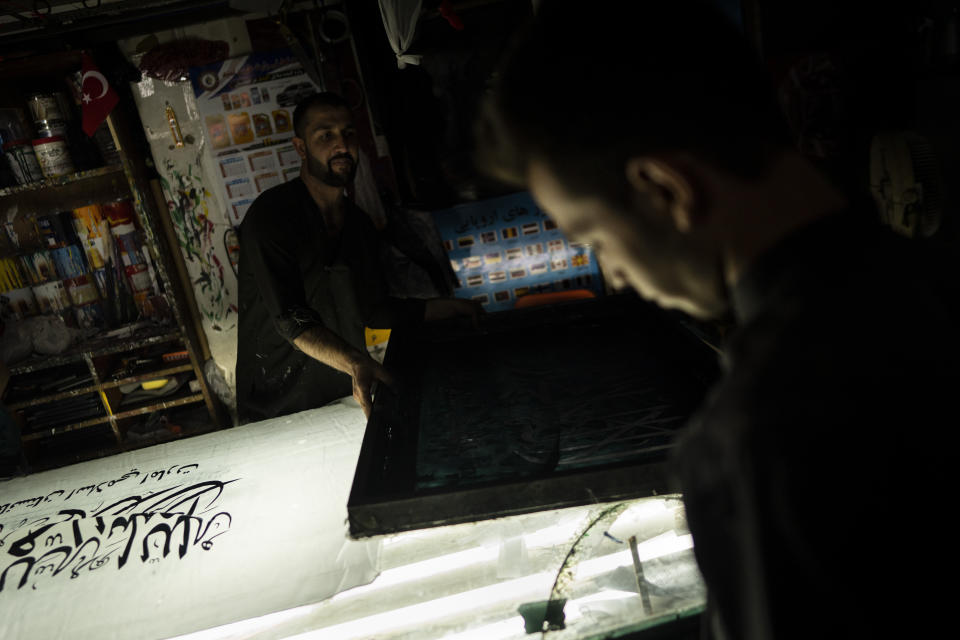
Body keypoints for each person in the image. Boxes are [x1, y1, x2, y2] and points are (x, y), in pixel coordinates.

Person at [478, 2, 958, 639]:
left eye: (594, 235)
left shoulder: (755, 438)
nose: (614, 275)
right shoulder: (938, 283)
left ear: (667, 190)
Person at [236, 92, 475, 423]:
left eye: (348, 133)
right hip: (275, 406)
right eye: (326, 135)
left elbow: (374, 310)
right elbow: (290, 318)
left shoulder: (359, 225)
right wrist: (354, 361)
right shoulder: (271, 216)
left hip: (343, 397)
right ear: (301, 147)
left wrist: (446, 307)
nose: (342, 145)